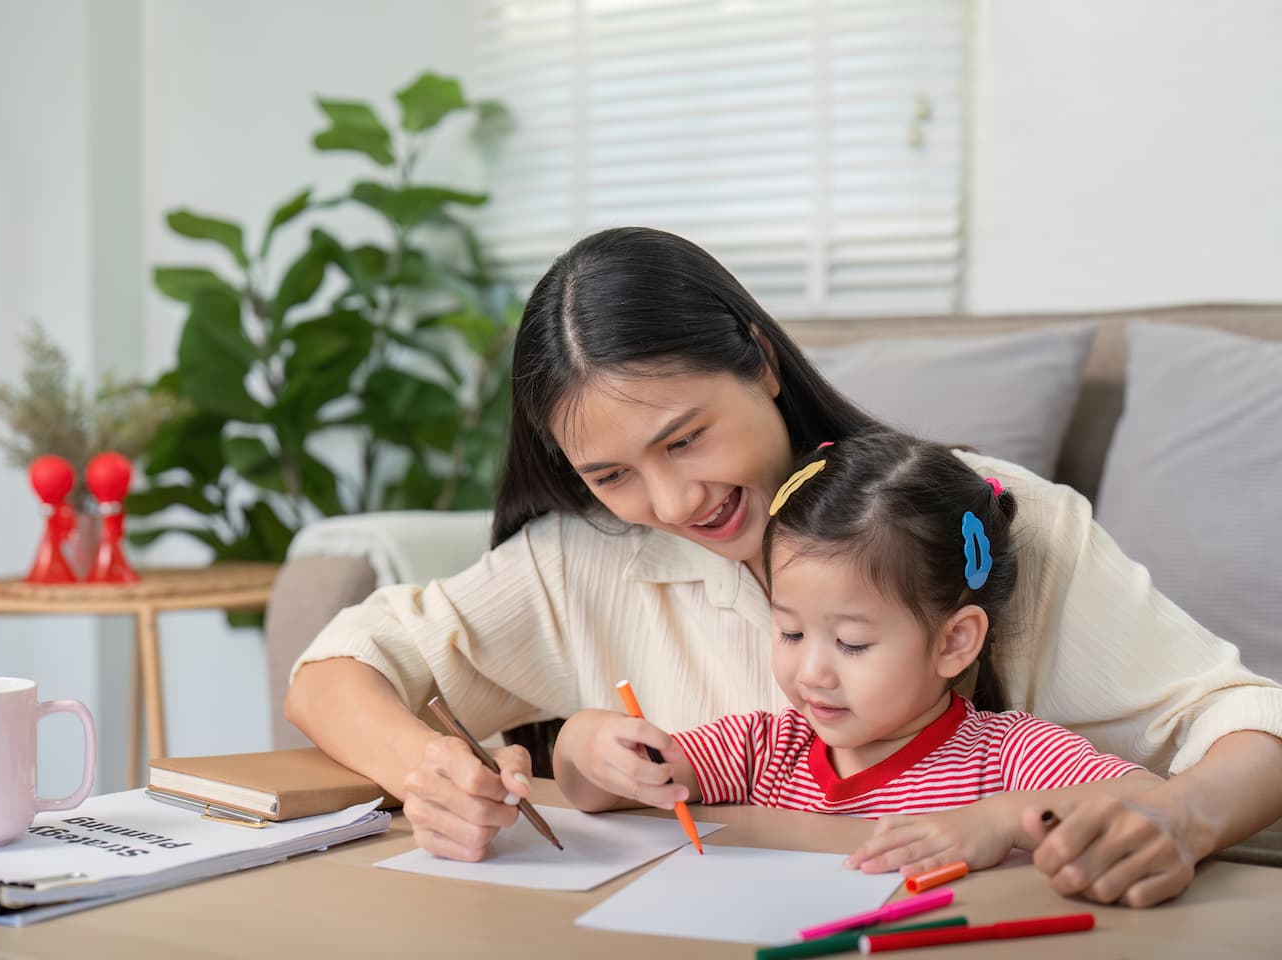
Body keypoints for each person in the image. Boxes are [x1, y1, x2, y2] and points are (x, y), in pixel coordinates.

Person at [285, 226, 1282, 906]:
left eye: (686, 439)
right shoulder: (587, 558)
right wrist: (434, 774)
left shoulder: (985, 518)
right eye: (611, 474)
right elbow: (338, 668)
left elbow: (1241, 720)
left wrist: (1183, 817)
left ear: (761, 363)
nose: (673, 504)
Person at [553, 432, 1160, 878]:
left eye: (851, 643)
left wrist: (1000, 820)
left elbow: (1150, 802)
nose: (812, 672)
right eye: (790, 633)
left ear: (953, 641)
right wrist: (585, 744)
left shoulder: (1008, 757)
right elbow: (619, 785)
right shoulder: (765, 750)